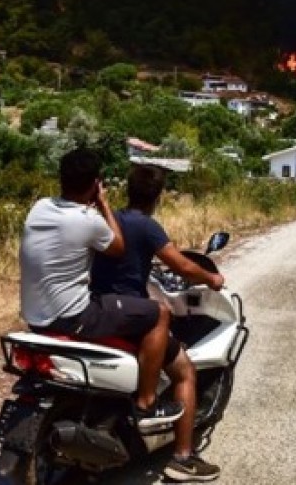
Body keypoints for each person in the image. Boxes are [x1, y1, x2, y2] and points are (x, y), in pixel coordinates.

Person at [19, 148, 183, 430]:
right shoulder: (88, 219)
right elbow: (119, 247)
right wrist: (104, 204)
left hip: (34, 318)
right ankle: (147, 402)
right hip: (74, 317)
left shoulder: (40, 207)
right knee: (160, 313)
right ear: (96, 183)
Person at [91, 163, 225, 483]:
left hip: (98, 308)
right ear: (158, 197)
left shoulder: (107, 221)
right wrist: (213, 278)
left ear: (128, 190)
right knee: (185, 370)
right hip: (130, 314)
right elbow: (180, 266)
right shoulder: (146, 226)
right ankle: (182, 456)